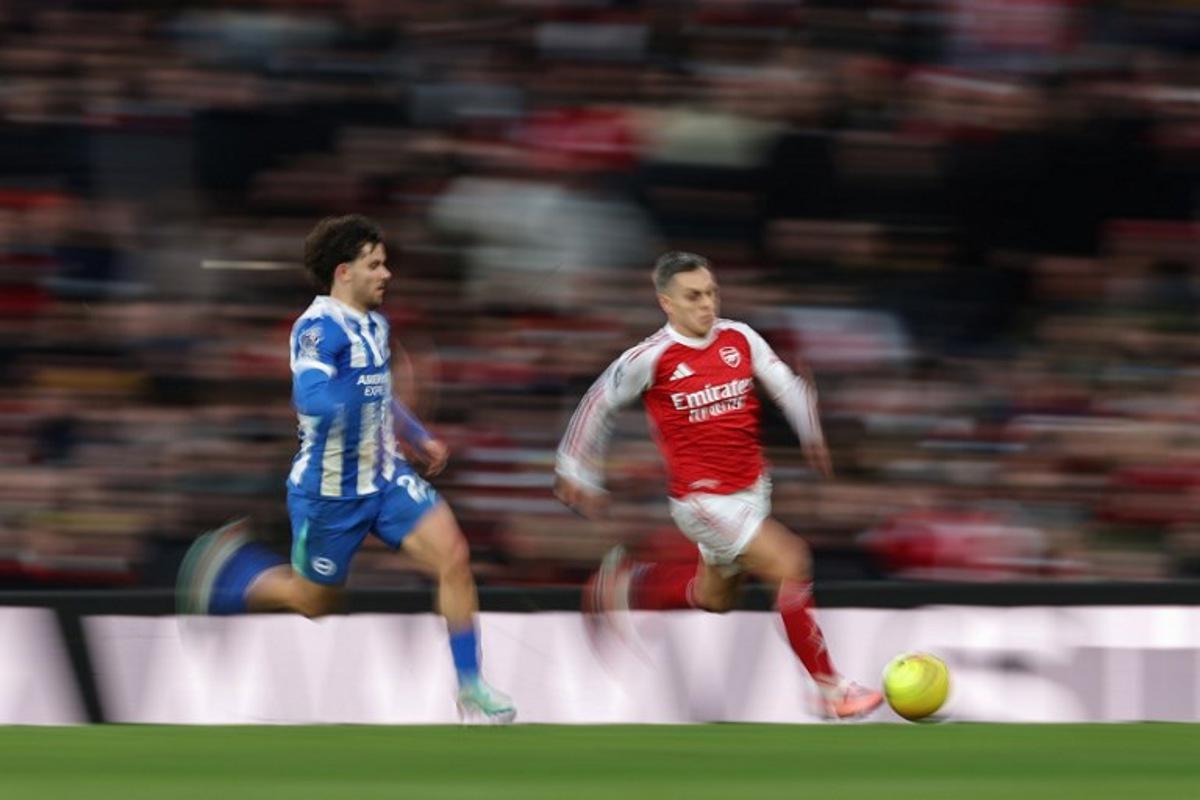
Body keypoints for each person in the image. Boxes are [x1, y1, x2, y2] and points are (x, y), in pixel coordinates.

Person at [177, 214, 515, 724]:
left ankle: (470, 685)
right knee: (315, 603)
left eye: (385, 263)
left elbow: (379, 390)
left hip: (386, 478)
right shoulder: (317, 329)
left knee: (454, 556)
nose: (387, 274)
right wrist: (355, 399)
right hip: (329, 493)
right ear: (343, 272)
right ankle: (230, 568)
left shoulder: (376, 324)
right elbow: (310, 395)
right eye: (374, 264)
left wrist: (417, 434)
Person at [554, 251, 883, 719]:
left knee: (717, 598)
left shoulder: (739, 337)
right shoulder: (650, 358)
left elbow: (786, 385)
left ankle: (629, 582)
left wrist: (811, 429)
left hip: (751, 490)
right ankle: (831, 688)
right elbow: (598, 402)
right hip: (702, 500)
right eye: (693, 296)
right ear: (666, 302)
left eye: (711, 292)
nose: (706, 304)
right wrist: (575, 469)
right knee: (791, 560)